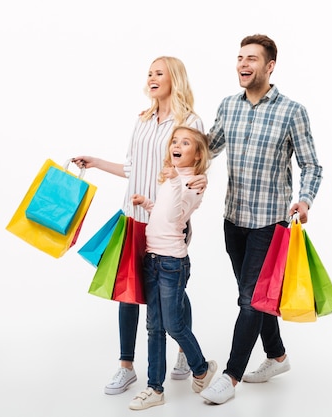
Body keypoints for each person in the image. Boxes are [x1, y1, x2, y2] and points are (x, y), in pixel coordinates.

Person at [199, 34, 323, 405]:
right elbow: (207, 148)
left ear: (269, 66)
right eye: (240, 57)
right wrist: (178, 142)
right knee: (254, 296)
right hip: (233, 218)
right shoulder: (228, 106)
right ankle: (278, 356)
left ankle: (230, 376)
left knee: (250, 300)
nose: (243, 64)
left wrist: (305, 199)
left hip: (270, 221)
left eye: (252, 58)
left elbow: (312, 164)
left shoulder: (291, 111)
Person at [73, 56, 207, 396]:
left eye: (158, 73)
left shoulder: (189, 121)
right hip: (134, 218)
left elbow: (197, 165)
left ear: (174, 78)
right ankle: (126, 366)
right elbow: (133, 168)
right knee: (127, 291)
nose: (151, 78)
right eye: (149, 73)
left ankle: (182, 353)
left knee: (173, 291)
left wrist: (199, 185)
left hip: (166, 221)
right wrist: (97, 162)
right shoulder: (144, 120)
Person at [128, 126, 217, 410]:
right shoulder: (172, 179)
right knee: (154, 327)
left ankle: (201, 368)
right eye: (175, 141)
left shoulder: (194, 184)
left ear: (198, 154)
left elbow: (180, 212)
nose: (177, 145)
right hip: (152, 259)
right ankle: (155, 388)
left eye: (186, 142)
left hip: (172, 263)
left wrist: (175, 182)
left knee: (174, 325)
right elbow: (165, 214)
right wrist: (148, 204)